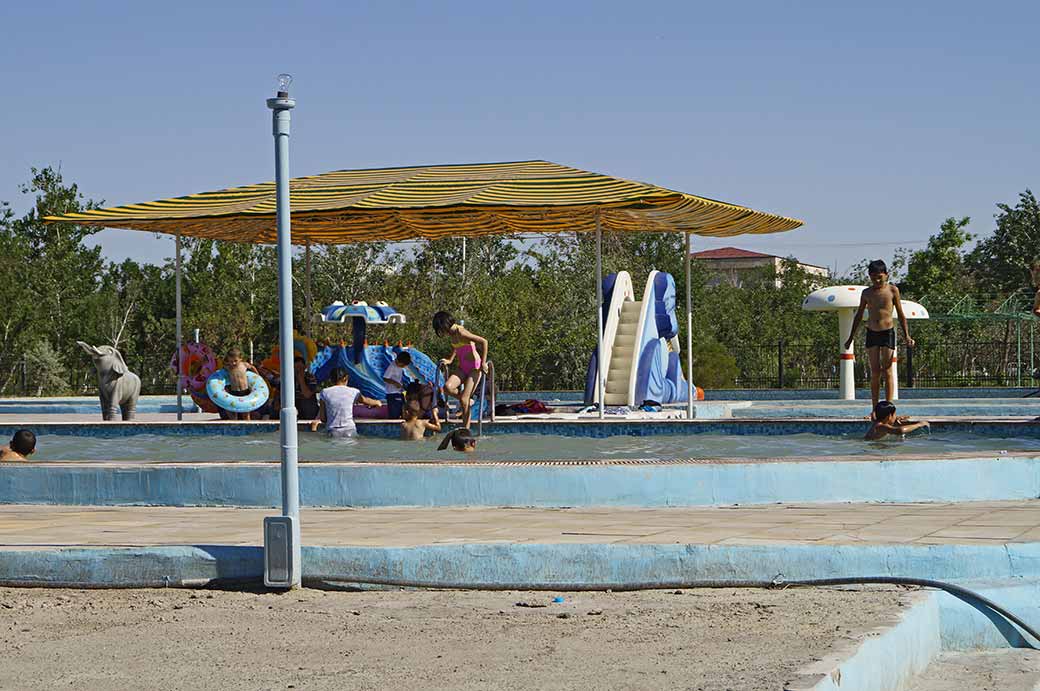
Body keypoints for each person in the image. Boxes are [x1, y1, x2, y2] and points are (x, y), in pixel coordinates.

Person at [843, 260, 915, 417]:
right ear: (869, 276)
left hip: (887, 333)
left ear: (886, 275)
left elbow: (901, 315)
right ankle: (875, 410)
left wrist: (907, 335)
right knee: (875, 372)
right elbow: (859, 315)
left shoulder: (893, 290)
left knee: (888, 371)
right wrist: (850, 338)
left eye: (879, 277)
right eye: (873, 277)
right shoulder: (867, 293)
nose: (876, 281)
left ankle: (890, 411)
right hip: (872, 333)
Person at [433, 311, 489, 429]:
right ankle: (468, 400)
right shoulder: (452, 334)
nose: (441, 332)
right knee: (447, 388)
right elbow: (456, 347)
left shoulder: (461, 332)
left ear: (444, 325)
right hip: (463, 367)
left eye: (440, 329)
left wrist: (484, 363)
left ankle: (465, 429)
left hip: (475, 367)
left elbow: (484, 341)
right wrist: (450, 360)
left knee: (464, 399)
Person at [310, 367, 381, 438]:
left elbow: (323, 418)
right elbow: (366, 401)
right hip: (350, 430)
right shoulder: (354, 392)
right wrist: (377, 402)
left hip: (333, 431)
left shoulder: (324, 392)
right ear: (346, 378)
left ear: (331, 379)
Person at [223, 347, 259, 421]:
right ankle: (235, 426)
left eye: (235, 361)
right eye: (231, 361)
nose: (233, 363)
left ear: (240, 359)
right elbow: (220, 374)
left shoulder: (244, 365)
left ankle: (248, 426)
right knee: (232, 413)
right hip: (234, 392)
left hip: (245, 391)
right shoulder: (228, 367)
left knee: (246, 414)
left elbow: (252, 367)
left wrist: (257, 376)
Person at [865, 400, 929, 441]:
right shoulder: (881, 427)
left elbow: (873, 415)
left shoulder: (876, 422)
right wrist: (919, 424)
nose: (896, 416)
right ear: (889, 416)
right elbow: (900, 430)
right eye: (895, 414)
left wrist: (897, 418)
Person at [383, 351, 412, 420]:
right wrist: (395, 383)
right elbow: (385, 378)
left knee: (402, 411)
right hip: (392, 393)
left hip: (398, 392)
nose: (403, 367)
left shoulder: (399, 367)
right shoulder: (392, 366)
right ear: (399, 361)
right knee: (394, 414)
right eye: (402, 365)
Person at [293, 356, 319, 420]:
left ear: (305, 367)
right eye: (296, 368)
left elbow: (307, 394)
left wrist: (301, 380)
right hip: (295, 405)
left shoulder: (310, 378)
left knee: (306, 403)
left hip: (308, 409)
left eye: (300, 368)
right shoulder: (290, 378)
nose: (298, 370)